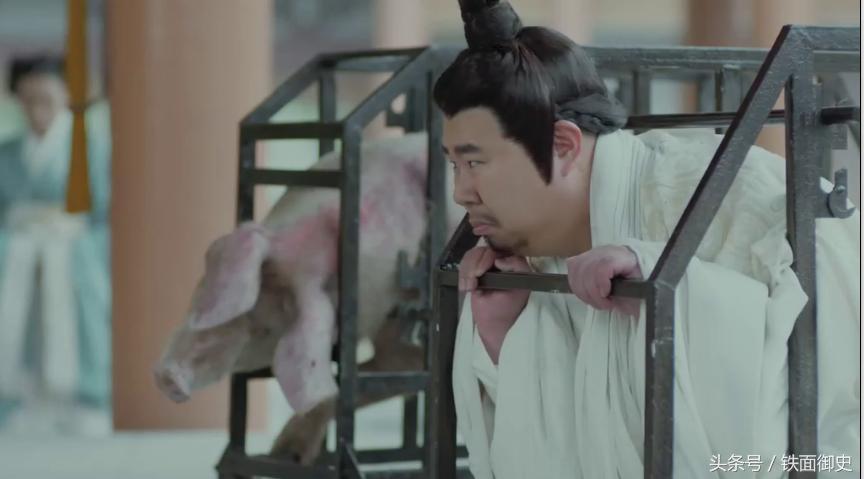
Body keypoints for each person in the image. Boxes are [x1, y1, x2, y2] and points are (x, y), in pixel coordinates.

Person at [436, 1, 860, 477]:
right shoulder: (533, 249)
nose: (461, 192)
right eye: (454, 164)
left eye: (475, 163)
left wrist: (664, 288)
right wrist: (506, 334)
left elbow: (826, 427)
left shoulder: (741, 203)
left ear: (563, 145)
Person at [0, 55, 111, 435]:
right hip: (15, 252)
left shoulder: (91, 148)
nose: (37, 110)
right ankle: (14, 398)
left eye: (46, 99)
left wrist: (69, 240)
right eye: (28, 100)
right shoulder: (7, 151)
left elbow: (102, 212)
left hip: (72, 250)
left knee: (83, 320)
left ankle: (87, 396)